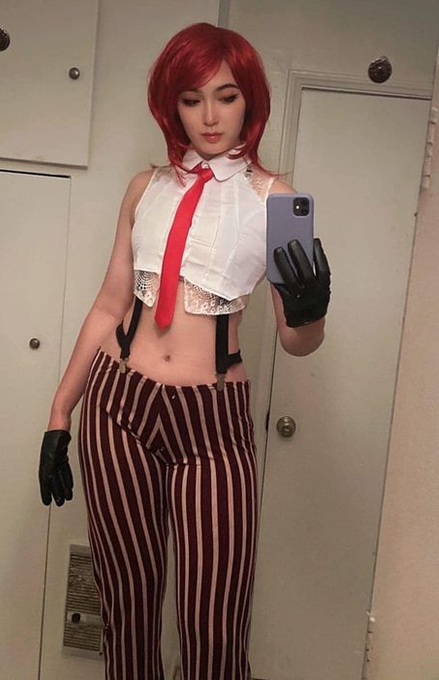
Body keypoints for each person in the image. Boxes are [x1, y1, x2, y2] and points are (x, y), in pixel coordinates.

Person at [38, 21, 330, 680]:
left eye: (226, 96)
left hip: (212, 421)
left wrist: (311, 314)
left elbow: (296, 341)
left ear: (250, 100)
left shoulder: (279, 203)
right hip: (117, 407)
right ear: (171, 104)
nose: (210, 117)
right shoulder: (145, 188)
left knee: (214, 630)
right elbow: (110, 305)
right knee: (126, 609)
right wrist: (60, 413)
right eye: (192, 99)